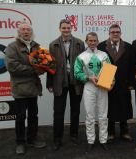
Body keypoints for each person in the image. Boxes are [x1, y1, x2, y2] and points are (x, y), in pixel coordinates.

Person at [5, 21, 46, 154]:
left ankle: (32, 139)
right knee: (21, 116)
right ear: (19, 32)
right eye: (23, 30)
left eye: (28, 30)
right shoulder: (12, 47)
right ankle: (20, 142)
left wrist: (45, 67)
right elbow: (12, 67)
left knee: (33, 115)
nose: (26, 32)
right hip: (20, 88)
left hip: (33, 87)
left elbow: (43, 63)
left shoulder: (36, 46)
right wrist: (34, 70)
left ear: (31, 32)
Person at [46, 19, 85, 150]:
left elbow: (83, 64)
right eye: (64, 28)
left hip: (76, 82)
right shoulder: (53, 45)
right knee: (58, 112)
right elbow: (49, 66)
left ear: (71, 28)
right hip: (59, 82)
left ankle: (74, 136)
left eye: (68, 28)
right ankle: (57, 139)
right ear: (60, 29)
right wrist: (49, 83)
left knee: (75, 111)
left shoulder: (80, 43)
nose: (66, 30)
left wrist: (85, 79)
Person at [74, 32, 112, 154]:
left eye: (94, 40)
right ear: (86, 41)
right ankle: (90, 140)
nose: (92, 43)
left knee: (103, 115)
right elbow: (77, 73)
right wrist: (89, 78)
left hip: (102, 87)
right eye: (90, 41)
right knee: (90, 116)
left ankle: (103, 140)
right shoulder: (81, 57)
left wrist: (109, 82)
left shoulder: (104, 55)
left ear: (97, 41)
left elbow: (109, 70)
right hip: (89, 86)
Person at [98, 24, 134, 142]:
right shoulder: (101, 46)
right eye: (113, 32)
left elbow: (132, 66)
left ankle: (124, 131)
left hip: (124, 81)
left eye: (117, 32)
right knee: (110, 106)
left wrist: (131, 82)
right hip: (107, 79)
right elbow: (97, 65)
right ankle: (111, 132)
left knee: (124, 105)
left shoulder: (128, 47)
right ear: (109, 33)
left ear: (120, 33)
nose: (115, 34)